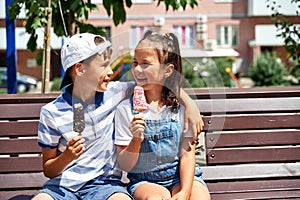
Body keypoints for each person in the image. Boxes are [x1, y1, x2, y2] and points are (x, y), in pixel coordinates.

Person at [32, 33, 204, 200]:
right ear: (80, 69)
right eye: (104, 65)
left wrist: (190, 104)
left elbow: (158, 83)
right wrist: (66, 157)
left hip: (105, 186)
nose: (111, 71)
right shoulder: (51, 112)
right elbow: (48, 170)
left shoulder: (114, 92)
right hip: (61, 187)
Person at [114, 31, 211, 200]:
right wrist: (136, 140)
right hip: (144, 181)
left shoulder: (181, 108)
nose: (137, 69)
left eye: (145, 64)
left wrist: (185, 192)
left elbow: (188, 154)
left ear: (168, 70)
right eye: (135, 62)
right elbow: (124, 164)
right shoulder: (125, 109)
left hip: (182, 177)